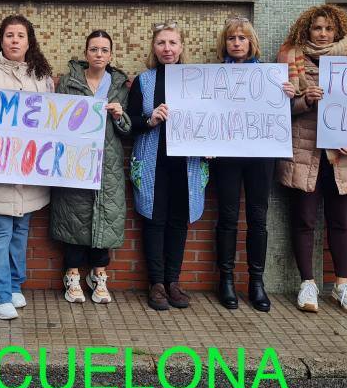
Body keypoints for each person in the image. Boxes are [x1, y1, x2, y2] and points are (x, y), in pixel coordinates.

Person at [277, 4, 347, 316]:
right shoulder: (289, 58)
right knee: (304, 220)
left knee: (340, 222)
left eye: (328, 28)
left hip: (342, 155)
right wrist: (303, 101)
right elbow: (274, 110)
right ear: (307, 30)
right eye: (317, 28)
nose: (323, 33)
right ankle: (308, 283)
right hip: (304, 152)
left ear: (337, 32)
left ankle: (342, 285)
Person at [210, 16, 295, 312]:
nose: (236, 43)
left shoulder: (270, 76)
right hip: (227, 156)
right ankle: (227, 280)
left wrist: (288, 97)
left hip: (261, 155)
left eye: (242, 38)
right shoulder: (213, 76)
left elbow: (283, 113)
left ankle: (256, 282)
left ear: (251, 42)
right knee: (228, 217)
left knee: (258, 218)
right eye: (231, 38)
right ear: (225, 43)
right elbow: (205, 114)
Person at [0, 15, 54, 320]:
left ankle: (15, 285)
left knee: (20, 230)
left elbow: (51, 119)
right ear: (1, 39)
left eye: (21, 35)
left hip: (29, 168)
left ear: (29, 41)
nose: (15, 40)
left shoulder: (42, 76)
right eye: (9, 35)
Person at [128, 22, 207, 311]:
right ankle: (157, 283)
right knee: (154, 220)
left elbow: (210, 119)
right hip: (153, 160)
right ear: (154, 47)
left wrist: (212, 145)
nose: (167, 48)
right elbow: (129, 123)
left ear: (181, 47)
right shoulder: (144, 81)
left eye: (173, 43)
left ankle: (174, 281)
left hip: (186, 164)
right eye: (161, 43)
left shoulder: (196, 80)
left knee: (178, 220)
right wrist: (150, 119)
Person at [50, 30, 131, 305]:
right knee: (74, 216)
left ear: (111, 55)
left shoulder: (119, 84)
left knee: (105, 217)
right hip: (75, 162)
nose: (99, 54)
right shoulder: (69, 82)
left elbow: (128, 128)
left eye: (104, 50)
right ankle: (72, 274)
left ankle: (99, 274)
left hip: (107, 163)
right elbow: (54, 121)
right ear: (86, 53)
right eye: (94, 49)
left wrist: (120, 116)